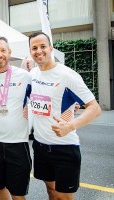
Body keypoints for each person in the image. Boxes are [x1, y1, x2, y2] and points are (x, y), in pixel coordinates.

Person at [28, 31, 101, 200]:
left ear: (51, 48)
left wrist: (70, 125)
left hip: (64, 147)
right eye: (34, 48)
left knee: (64, 196)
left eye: (43, 46)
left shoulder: (68, 76)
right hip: (40, 146)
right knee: (51, 191)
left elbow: (94, 108)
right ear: (30, 51)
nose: (39, 51)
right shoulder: (32, 75)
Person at [0, 36, 32, 200]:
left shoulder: (25, 76)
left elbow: (45, 93)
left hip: (18, 143)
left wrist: (71, 105)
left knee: (18, 193)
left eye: (3, 50)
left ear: (9, 52)